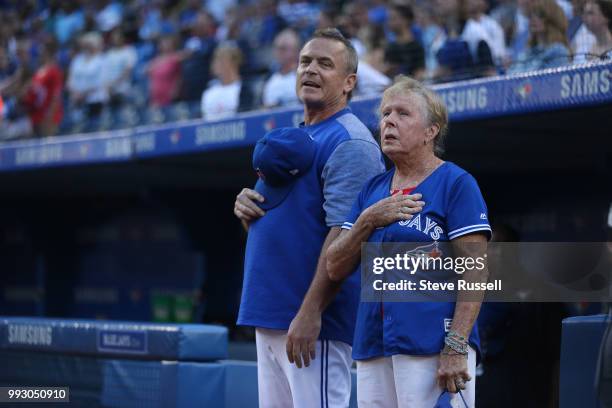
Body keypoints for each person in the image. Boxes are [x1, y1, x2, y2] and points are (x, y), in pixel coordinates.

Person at [234, 28, 386, 407]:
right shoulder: (298, 136)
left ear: (349, 82)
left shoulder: (349, 141)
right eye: (305, 62)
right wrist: (247, 209)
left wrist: (310, 311)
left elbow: (346, 237)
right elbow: (285, 224)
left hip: (310, 321)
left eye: (325, 63)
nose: (311, 70)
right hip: (271, 312)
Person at [327, 76, 491, 407]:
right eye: (385, 113)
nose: (388, 121)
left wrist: (456, 344)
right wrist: (369, 219)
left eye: (402, 113)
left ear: (431, 131)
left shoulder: (456, 183)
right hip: (374, 343)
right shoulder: (372, 190)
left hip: (433, 342)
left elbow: (475, 270)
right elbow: (334, 265)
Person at [508, 0, 572, 73]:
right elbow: (510, 75)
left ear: (551, 18)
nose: (533, 19)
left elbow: (548, 80)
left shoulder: (559, 51)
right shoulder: (528, 52)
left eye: (540, 15)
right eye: (531, 15)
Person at [200, 44, 244, 120]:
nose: (217, 64)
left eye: (222, 60)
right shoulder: (209, 91)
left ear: (234, 62)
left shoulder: (243, 89)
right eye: (217, 60)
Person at [262, 28, 301, 108]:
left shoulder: (306, 76)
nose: (279, 52)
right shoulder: (269, 79)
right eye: (277, 48)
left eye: (283, 48)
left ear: (296, 51)